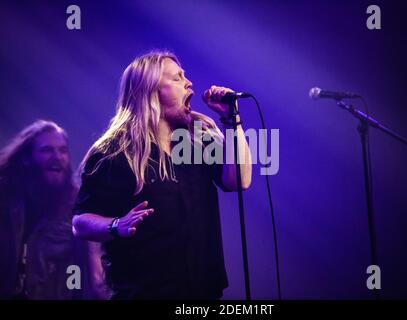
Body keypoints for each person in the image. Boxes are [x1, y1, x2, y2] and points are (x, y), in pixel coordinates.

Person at [72, 50, 252, 300]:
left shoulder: (196, 140)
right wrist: (116, 225)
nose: (189, 83)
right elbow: (80, 222)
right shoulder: (113, 152)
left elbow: (239, 180)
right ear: (150, 91)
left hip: (203, 292)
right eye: (177, 78)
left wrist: (231, 119)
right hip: (143, 293)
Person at [0, 120, 78, 299]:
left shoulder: (76, 207)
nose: (57, 157)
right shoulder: (7, 202)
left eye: (63, 150)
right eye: (47, 150)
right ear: (27, 158)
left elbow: (79, 269)